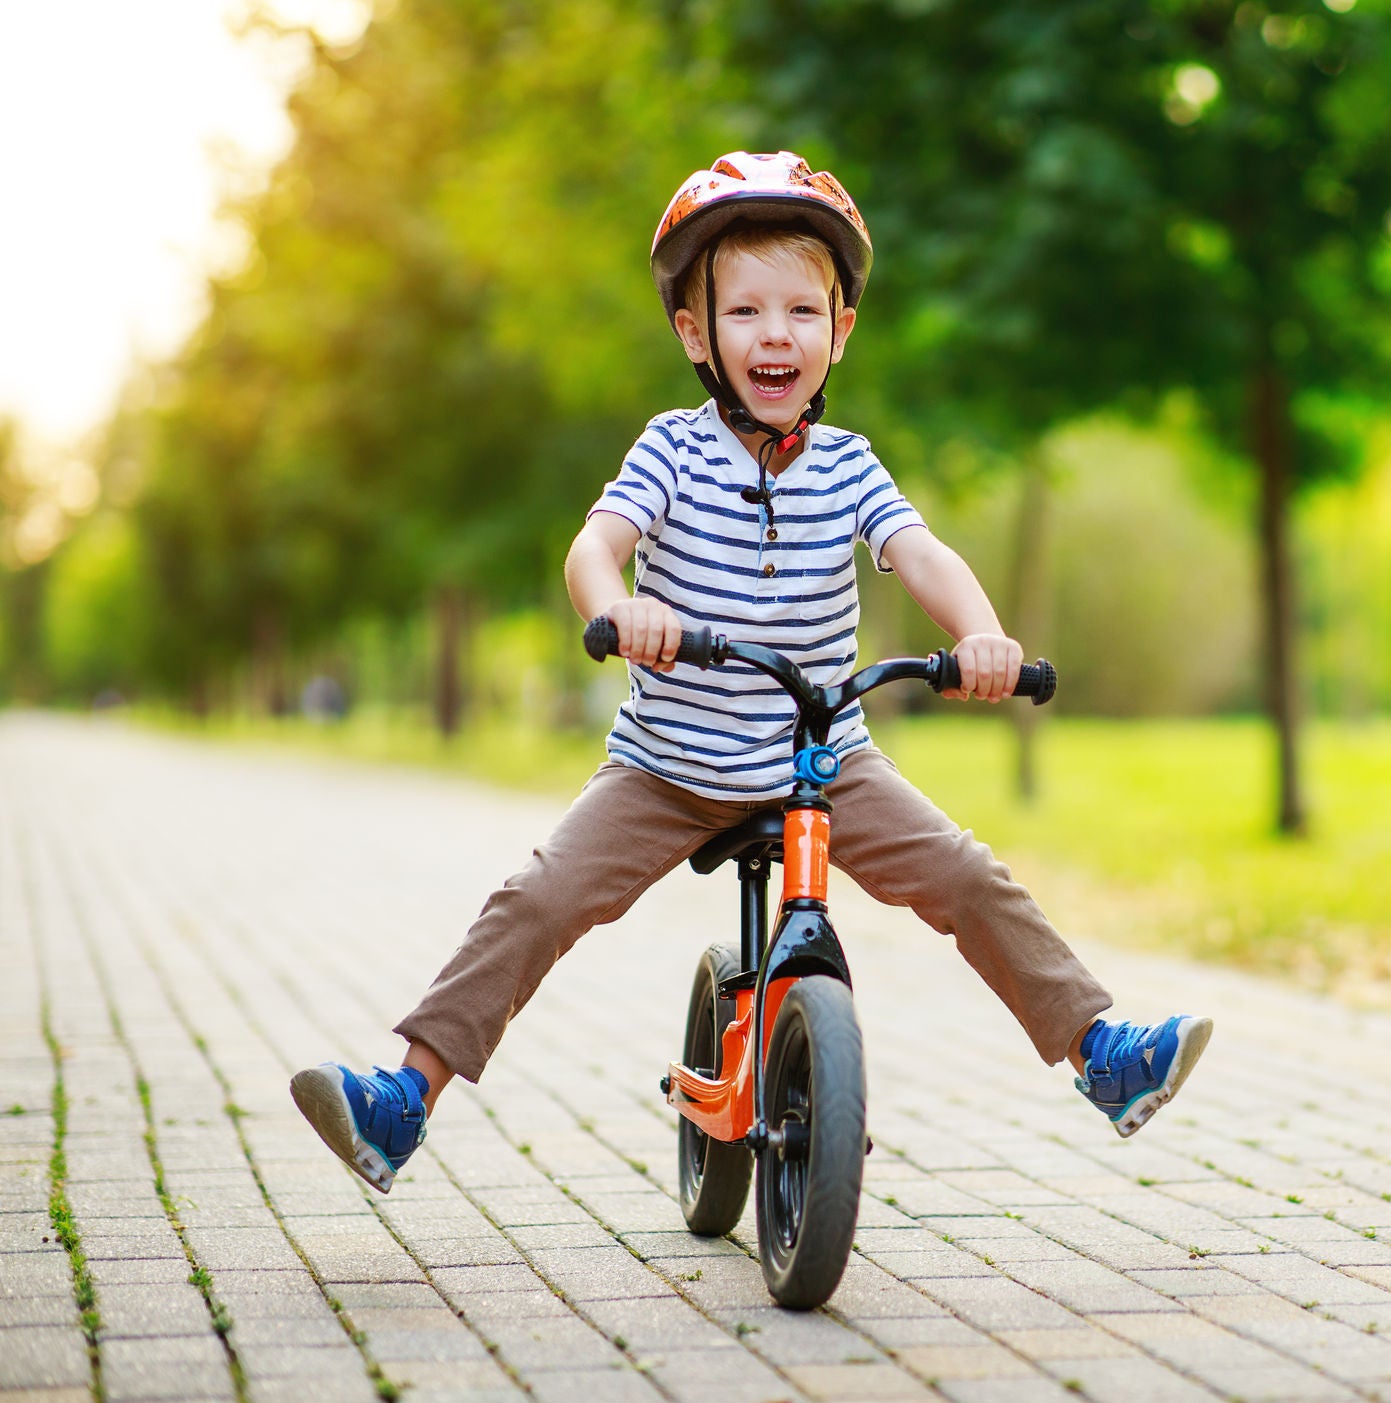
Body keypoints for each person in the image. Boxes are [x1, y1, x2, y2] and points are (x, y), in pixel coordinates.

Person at [290, 151, 1211, 1194]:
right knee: (538, 897)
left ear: (839, 330)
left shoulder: (851, 464)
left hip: (823, 760)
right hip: (668, 764)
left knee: (965, 874)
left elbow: (922, 555)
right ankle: (402, 1098)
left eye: (801, 312)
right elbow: (591, 549)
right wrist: (618, 607)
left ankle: (1101, 1055)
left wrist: (984, 632)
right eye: (745, 313)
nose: (776, 334)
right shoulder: (671, 452)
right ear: (697, 333)